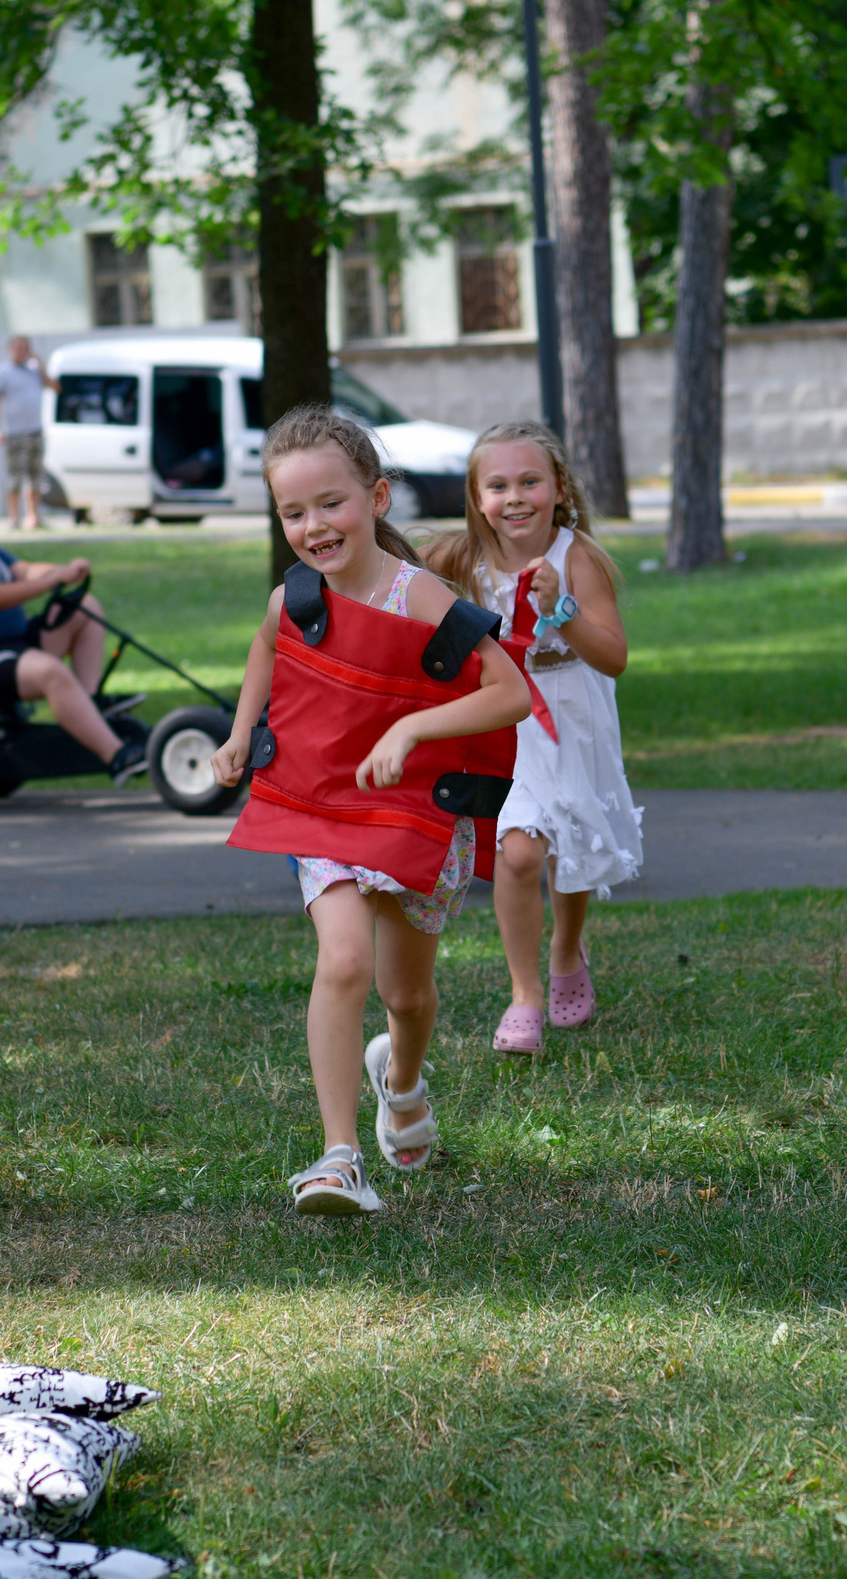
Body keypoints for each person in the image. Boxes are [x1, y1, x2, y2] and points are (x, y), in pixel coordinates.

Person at [210, 406, 532, 1217]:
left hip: (415, 813)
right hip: (324, 803)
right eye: (292, 512)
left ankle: (405, 1081)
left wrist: (413, 724)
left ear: (377, 497)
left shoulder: (416, 593)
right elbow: (266, 644)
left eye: (331, 503)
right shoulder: (299, 593)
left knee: (407, 995)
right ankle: (338, 1157)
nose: (313, 526)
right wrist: (242, 731)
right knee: (345, 960)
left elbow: (509, 692)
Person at [425, 421, 641, 1057]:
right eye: (497, 485)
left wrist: (563, 610)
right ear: (476, 497)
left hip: (571, 710)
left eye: (529, 481)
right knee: (518, 853)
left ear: (558, 489)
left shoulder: (578, 558)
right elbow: (395, 572)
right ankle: (525, 996)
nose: (514, 497)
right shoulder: (462, 557)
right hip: (505, 715)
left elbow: (615, 657)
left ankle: (566, 948)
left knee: (568, 852)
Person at [0, 470, 144, 781]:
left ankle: (91, 706)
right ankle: (117, 756)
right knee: (50, 671)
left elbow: (25, 570)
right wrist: (51, 581)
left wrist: (63, 571)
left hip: (17, 644)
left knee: (85, 607)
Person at [0, 336, 56, 531]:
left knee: (36, 477)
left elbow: (54, 387)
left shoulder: (35, 372)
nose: (21, 352)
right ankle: (14, 518)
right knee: (14, 477)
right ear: (10, 350)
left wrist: (40, 363)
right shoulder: (1, 372)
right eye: (17, 348)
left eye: (25, 348)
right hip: (14, 434)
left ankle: (34, 517)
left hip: (35, 432)